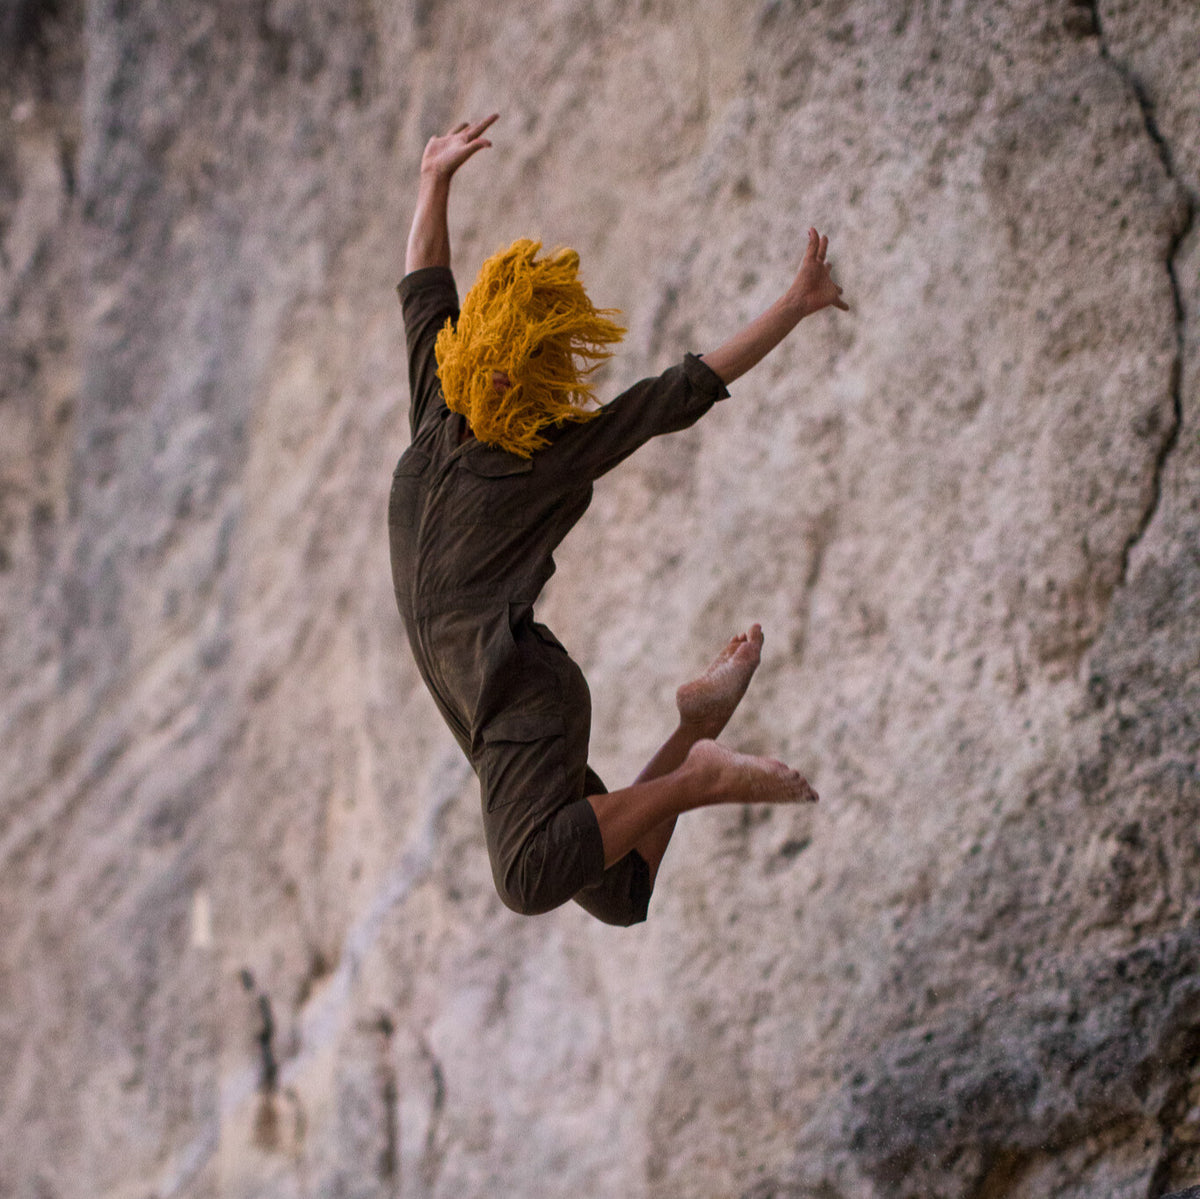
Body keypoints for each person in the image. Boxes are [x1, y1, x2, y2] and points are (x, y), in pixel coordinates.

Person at [389, 113, 849, 926]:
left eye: (522, 372)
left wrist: (795, 302)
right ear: (474, 345)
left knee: (528, 876)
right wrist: (435, 178)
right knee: (621, 890)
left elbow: (678, 392)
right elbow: (426, 280)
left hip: (519, 698)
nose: (500, 383)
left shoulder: (547, 455)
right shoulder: (436, 406)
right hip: (483, 711)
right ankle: (696, 732)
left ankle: (700, 779)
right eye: (494, 362)